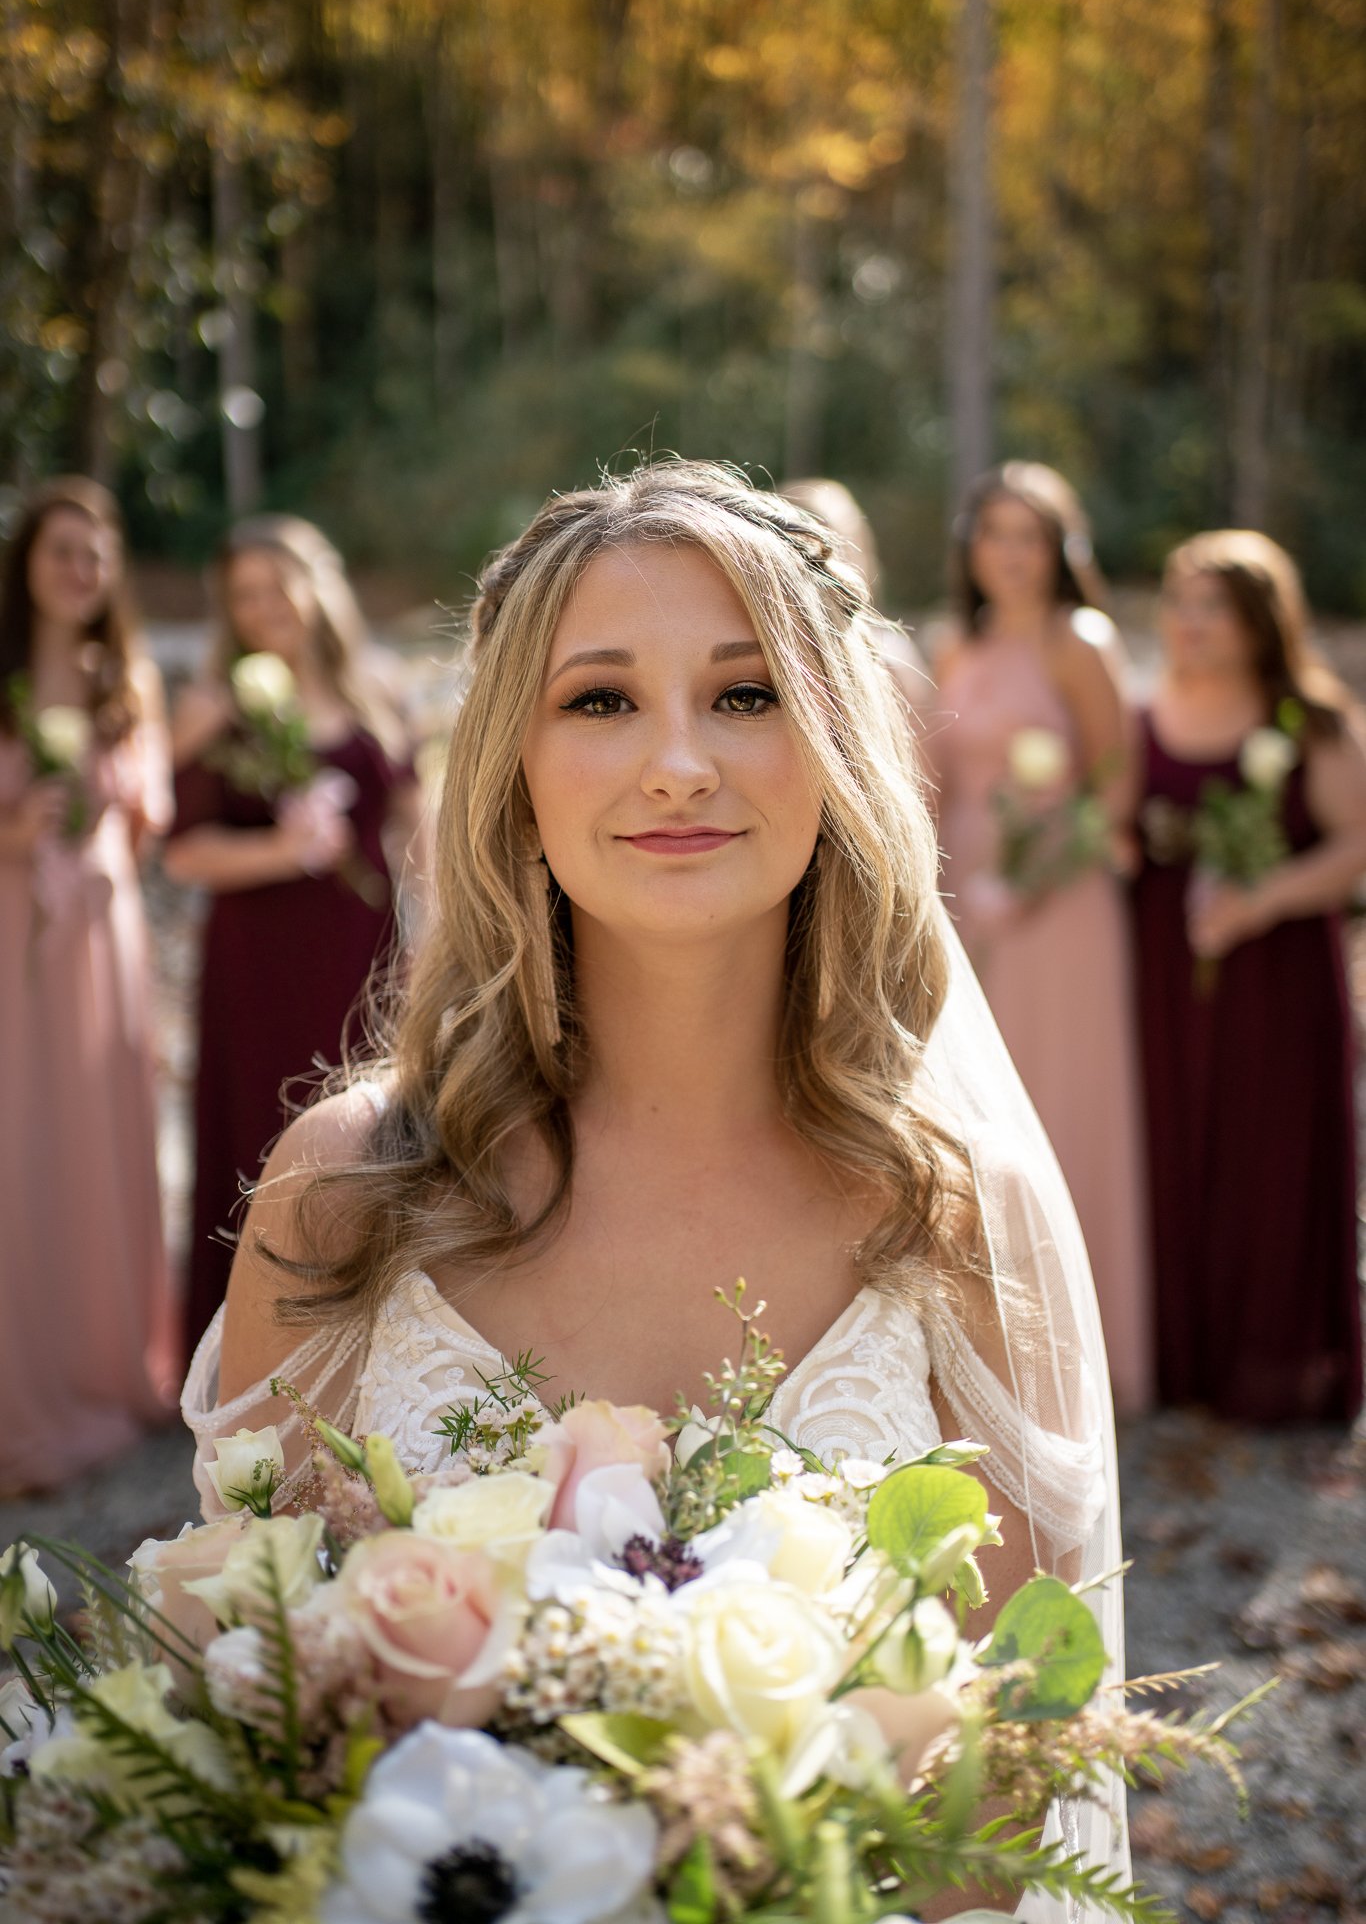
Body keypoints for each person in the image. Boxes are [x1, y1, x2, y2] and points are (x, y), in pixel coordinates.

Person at [184, 462, 1129, 1894]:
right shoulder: (348, 1194)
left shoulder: (951, 1213)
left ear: (831, 742)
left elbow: (999, 1815)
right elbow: (249, 1747)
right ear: (511, 759)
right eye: (601, 699)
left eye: (743, 695)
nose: (677, 760)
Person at [164, 514, 421, 1360]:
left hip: (364, 947)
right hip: (260, 963)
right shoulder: (218, 707)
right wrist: (283, 847)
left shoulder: (376, 693)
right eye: (245, 594)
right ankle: (249, 1351)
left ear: (318, 585)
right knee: (262, 1130)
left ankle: (374, 1335)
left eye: (279, 583)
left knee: (371, 1132)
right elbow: (185, 852)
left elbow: (414, 830)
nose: (265, 604)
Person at [931, 463, 1152, 1416]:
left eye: (1029, 536)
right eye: (994, 535)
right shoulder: (958, 647)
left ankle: (1087, 1359)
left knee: (1063, 1103)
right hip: (969, 897)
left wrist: (1032, 879)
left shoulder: (1080, 642)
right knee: (979, 1113)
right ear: (970, 550)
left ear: (1061, 549)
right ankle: (998, 1349)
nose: (1010, 555)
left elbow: (1118, 786)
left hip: (1060, 905)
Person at [1133, 531, 1366, 1422]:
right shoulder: (1146, 710)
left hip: (1277, 981)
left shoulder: (1310, 717)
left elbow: (1354, 844)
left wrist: (1261, 899)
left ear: (1261, 619)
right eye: (1179, 602)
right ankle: (1181, 1361)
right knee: (1177, 1149)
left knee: (1267, 1159)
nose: (1189, 623)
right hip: (1164, 976)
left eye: (1212, 606)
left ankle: (1271, 1366)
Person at [0, 477, 176, 1494]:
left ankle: (103, 1369)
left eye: (96, 554)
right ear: (25, 560)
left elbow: (144, 812)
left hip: (103, 938)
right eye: (63, 548)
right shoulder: (4, 673)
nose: (81, 569)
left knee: (100, 1146)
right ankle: (22, 1390)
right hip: (15, 934)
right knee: (20, 1150)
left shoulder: (124, 675)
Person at [779, 478, 935, 721]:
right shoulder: (757, 657)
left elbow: (922, 756)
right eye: (805, 549)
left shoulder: (890, 662)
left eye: (839, 546)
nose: (825, 564)